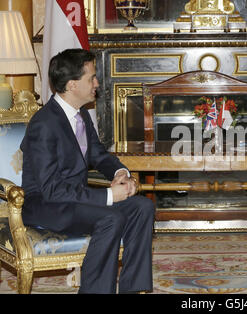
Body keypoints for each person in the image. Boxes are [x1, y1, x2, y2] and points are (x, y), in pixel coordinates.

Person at [20, 49, 155, 294]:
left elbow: (98, 154)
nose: (97, 83)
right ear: (72, 85)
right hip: (46, 205)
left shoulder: (81, 114)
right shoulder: (44, 124)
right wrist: (110, 196)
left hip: (76, 200)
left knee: (142, 207)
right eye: (91, 78)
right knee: (111, 217)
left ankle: (133, 289)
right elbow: (51, 190)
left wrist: (120, 173)